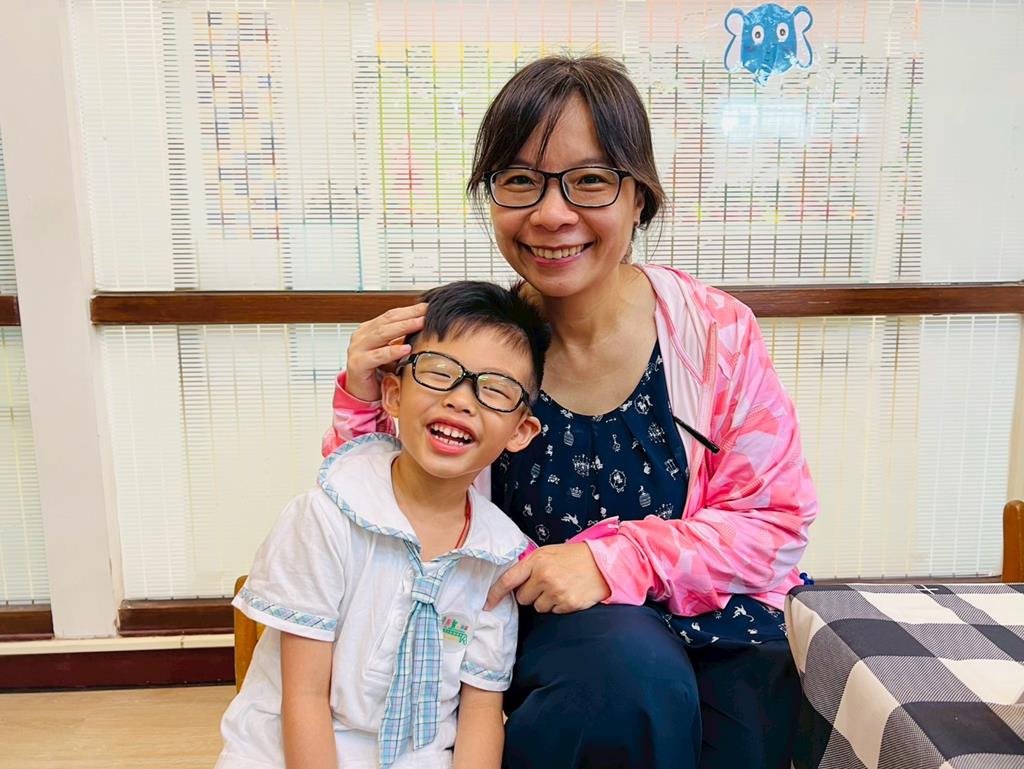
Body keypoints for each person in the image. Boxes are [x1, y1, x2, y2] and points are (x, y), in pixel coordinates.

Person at [323, 56, 818, 769]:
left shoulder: (715, 334)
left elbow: (774, 525)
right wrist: (360, 399)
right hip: (552, 638)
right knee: (626, 677)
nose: (552, 214)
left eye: (589, 180)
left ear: (639, 197)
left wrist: (613, 559)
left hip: (720, 624)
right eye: (520, 180)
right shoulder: (470, 349)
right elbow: (374, 511)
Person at [216, 281, 549, 769]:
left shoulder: (499, 556)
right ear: (392, 394)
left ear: (520, 431)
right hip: (288, 751)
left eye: (495, 389)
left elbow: (481, 714)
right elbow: (303, 696)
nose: (462, 400)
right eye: (440, 373)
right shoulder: (324, 517)